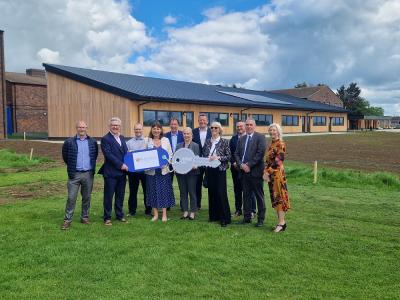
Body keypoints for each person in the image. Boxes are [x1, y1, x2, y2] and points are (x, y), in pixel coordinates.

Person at [61, 121, 98, 230]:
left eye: (83, 127)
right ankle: (67, 220)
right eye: (79, 127)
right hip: (74, 174)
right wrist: (72, 167)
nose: (82, 129)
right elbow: (65, 156)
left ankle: (84, 217)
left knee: (86, 197)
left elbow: (94, 156)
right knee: (71, 198)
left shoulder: (92, 142)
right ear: (76, 128)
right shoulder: (69, 142)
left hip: (88, 174)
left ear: (86, 128)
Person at [234, 118, 267, 227]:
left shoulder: (260, 137)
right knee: (246, 195)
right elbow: (237, 154)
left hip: (256, 172)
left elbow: (260, 154)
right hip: (244, 172)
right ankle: (247, 217)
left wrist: (249, 165)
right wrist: (241, 165)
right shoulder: (242, 139)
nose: (248, 126)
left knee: (259, 196)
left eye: (250, 125)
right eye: (247, 125)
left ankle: (261, 219)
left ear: (254, 126)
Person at [98, 117, 128, 226]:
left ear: (120, 126)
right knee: (109, 196)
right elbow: (108, 155)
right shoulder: (106, 139)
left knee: (120, 195)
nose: (115, 127)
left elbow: (126, 153)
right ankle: (107, 217)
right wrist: (121, 165)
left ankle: (119, 215)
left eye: (117, 125)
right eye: (113, 125)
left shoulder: (122, 138)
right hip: (111, 172)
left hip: (122, 173)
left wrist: (131, 162)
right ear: (109, 126)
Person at [202, 121, 231, 227]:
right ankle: (214, 216)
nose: (213, 130)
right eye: (212, 128)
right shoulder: (207, 142)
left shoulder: (224, 142)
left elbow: (229, 156)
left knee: (221, 193)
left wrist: (218, 157)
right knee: (212, 193)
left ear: (220, 130)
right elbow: (204, 154)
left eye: (216, 128)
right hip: (210, 170)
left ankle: (224, 218)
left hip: (220, 170)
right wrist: (206, 159)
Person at [263, 123, 291, 233]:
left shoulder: (281, 144)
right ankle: (280, 222)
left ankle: (282, 223)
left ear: (278, 131)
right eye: (270, 130)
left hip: (278, 175)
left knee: (279, 198)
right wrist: (265, 171)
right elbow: (268, 161)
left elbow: (278, 161)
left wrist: (267, 172)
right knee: (275, 199)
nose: (272, 132)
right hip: (271, 175)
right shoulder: (272, 144)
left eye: (274, 130)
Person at [145, 122, 175, 222]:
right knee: (152, 191)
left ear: (161, 130)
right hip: (151, 172)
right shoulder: (147, 140)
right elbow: (143, 155)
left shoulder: (165, 140)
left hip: (163, 171)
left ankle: (164, 215)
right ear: (151, 130)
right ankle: (156, 214)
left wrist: (166, 162)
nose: (156, 130)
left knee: (164, 192)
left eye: (158, 128)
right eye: (154, 128)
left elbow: (170, 155)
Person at [229, 121, 257, 217]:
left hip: (247, 169)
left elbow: (252, 154)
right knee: (237, 190)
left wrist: (245, 165)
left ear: (245, 127)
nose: (239, 128)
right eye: (237, 126)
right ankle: (238, 210)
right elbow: (231, 154)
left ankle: (252, 210)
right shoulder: (233, 139)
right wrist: (234, 162)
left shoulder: (250, 139)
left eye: (241, 126)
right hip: (236, 169)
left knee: (249, 190)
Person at [126, 122, 151, 216]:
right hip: (133, 171)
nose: (138, 131)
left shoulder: (148, 141)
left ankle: (148, 210)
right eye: (136, 129)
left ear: (142, 130)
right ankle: (132, 211)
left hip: (145, 171)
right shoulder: (128, 143)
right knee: (132, 191)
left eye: (139, 129)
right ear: (134, 130)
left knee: (147, 191)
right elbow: (127, 157)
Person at [175, 127, 200, 220]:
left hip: (192, 173)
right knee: (183, 192)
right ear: (183, 135)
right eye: (185, 134)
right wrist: (176, 167)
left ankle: (193, 212)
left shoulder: (195, 146)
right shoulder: (178, 146)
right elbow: (176, 159)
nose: (186, 135)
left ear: (192, 135)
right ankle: (185, 211)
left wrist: (195, 165)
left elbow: (197, 159)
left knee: (192, 192)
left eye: (188, 134)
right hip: (180, 173)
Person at [192, 114, 211, 209]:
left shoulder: (212, 131)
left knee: (210, 183)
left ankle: (212, 205)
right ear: (198, 121)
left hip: (209, 161)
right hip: (197, 161)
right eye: (200, 120)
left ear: (207, 121)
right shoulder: (194, 132)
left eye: (204, 120)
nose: (202, 122)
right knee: (197, 184)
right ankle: (197, 204)